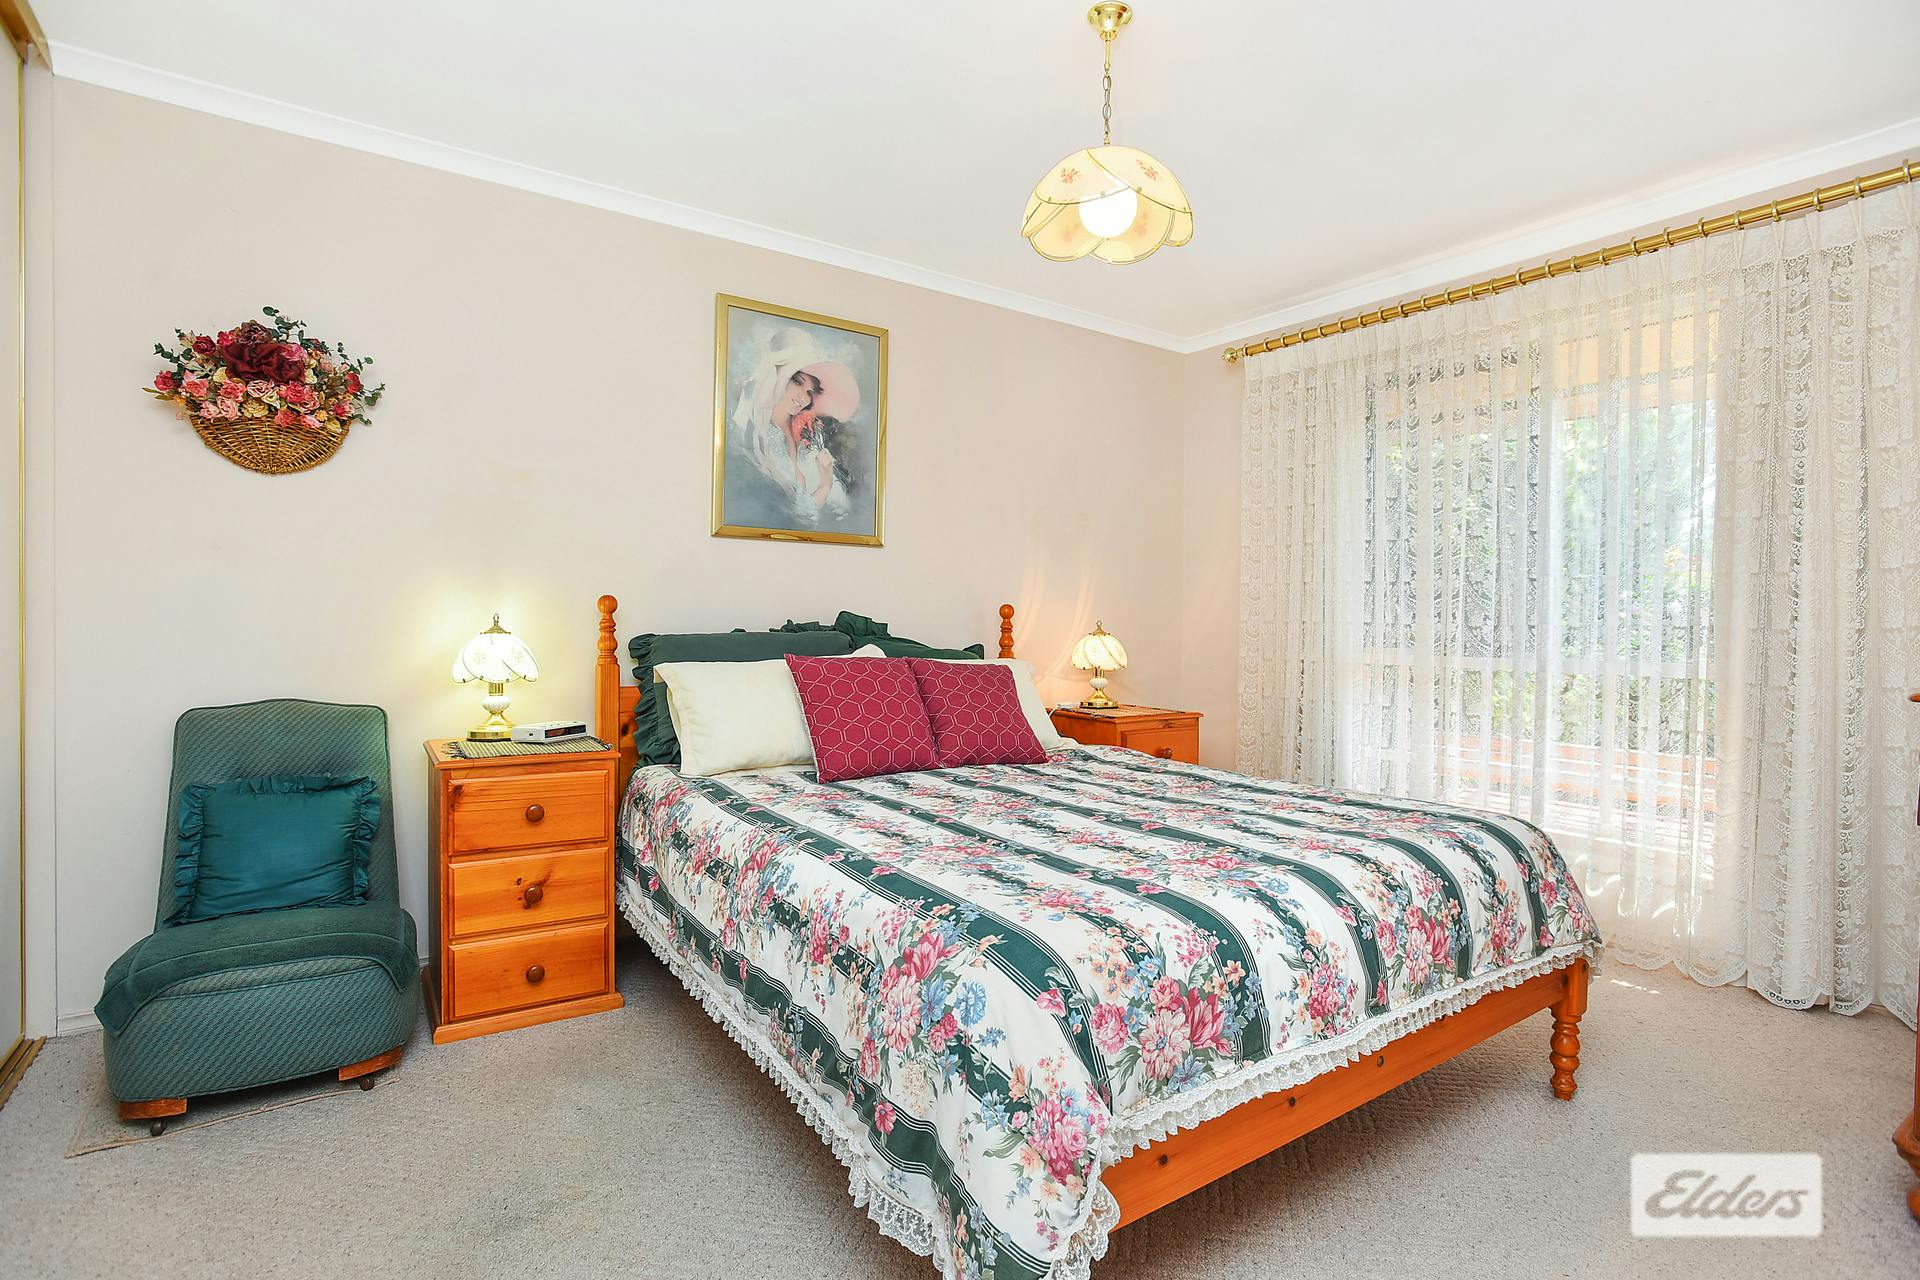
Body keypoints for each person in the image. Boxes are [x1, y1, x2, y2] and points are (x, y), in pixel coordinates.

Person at [730, 326, 860, 528]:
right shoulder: (755, 438)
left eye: (810, 391)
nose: (803, 398)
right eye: (797, 382)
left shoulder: (807, 432)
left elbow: (841, 506)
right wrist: (824, 486)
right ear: (778, 374)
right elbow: (798, 515)